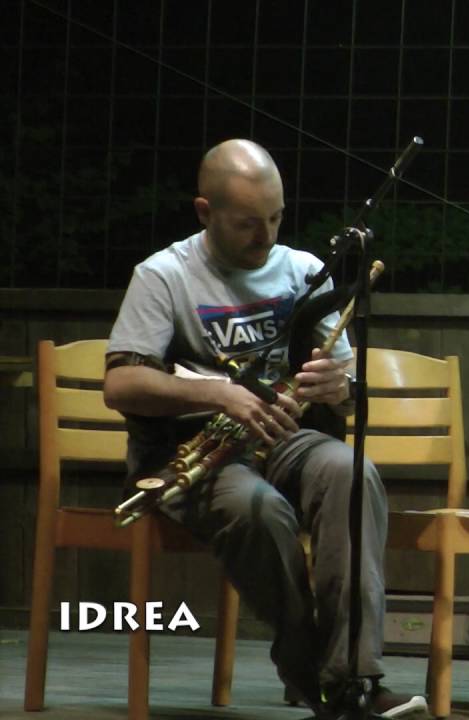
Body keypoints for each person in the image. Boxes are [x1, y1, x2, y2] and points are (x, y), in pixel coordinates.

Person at [103, 139, 426, 719]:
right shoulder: (164, 276)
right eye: (248, 223)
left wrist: (340, 390)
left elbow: (346, 395)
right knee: (258, 508)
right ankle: (312, 669)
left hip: (285, 438)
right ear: (205, 213)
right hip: (196, 449)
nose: (266, 236)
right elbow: (121, 386)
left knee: (350, 471)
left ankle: (353, 677)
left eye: (275, 218)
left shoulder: (304, 271)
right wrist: (218, 391)